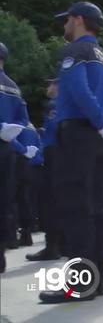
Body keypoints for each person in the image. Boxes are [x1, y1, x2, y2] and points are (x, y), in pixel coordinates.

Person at [40, 2, 103, 304]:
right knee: (96, 208)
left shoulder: (74, 53)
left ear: (77, 20)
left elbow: (77, 89)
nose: (64, 26)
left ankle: (79, 283)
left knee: (76, 207)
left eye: (66, 20)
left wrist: (100, 120)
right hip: (99, 139)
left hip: (78, 133)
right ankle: (96, 278)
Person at [0, 40, 30, 273]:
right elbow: (23, 118)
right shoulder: (13, 86)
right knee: (5, 200)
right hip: (7, 148)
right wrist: (10, 129)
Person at [26, 79, 63, 261]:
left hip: (53, 153)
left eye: (51, 84)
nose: (48, 87)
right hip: (63, 155)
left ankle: (52, 247)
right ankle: (61, 245)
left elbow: (55, 129)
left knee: (50, 202)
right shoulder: (67, 104)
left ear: (57, 86)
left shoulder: (54, 105)